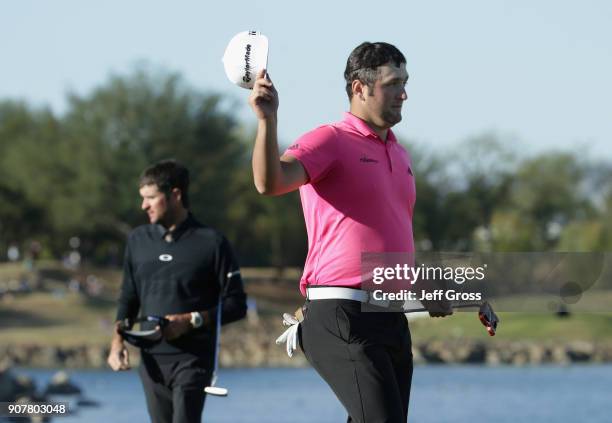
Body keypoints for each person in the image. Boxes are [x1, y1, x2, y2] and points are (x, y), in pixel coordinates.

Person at [248, 42, 451, 422]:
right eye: (392, 84)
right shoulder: (330, 140)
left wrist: (432, 292)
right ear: (360, 88)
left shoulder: (401, 154)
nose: (403, 94)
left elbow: (391, 244)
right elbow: (269, 182)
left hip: (391, 317)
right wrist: (267, 120)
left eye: (405, 83)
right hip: (342, 314)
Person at [107, 159, 247, 423]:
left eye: (151, 197)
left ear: (175, 195)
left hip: (193, 359)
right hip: (151, 361)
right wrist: (117, 341)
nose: (143, 205)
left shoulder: (212, 242)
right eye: (142, 198)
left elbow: (236, 305)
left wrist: (192, 320)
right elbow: (128, 296)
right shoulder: (138, 240)